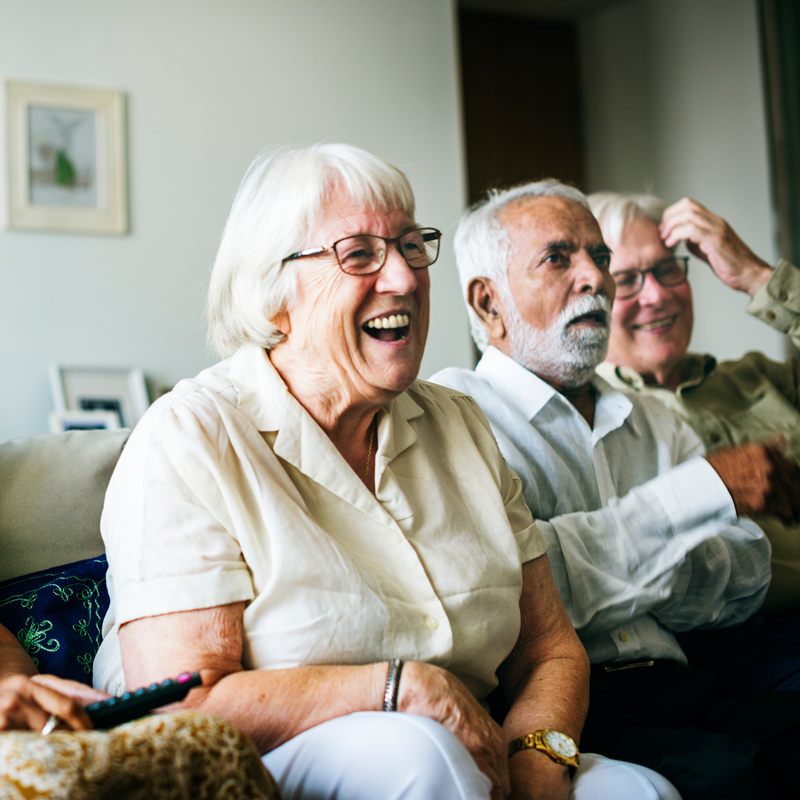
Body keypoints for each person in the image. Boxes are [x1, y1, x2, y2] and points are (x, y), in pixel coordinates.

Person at [92, 143, 678, 800]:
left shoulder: (460, 424)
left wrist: (540, 755)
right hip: (278, 762)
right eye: (361, 254)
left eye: (409, 245)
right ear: (273, 291)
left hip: (474, 744)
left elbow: (550, 649)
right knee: (419, 754)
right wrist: (401, 688)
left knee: (641, 791)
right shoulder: (191, 436)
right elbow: (182, 704)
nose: (403, 278)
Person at [429, 179, 800, 800]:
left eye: (598, 258)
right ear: (488, 302)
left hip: (691, 678)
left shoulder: (655, 421)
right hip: (568, 705)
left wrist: (592, 557)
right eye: (558, 257)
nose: (596, 278)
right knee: (737, 779)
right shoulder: (455, 413)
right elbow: (514, 598)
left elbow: (744, 577)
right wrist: (693, 501)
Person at [590, 192, 800, 615]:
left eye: (667, 270)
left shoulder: (759, 377)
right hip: (758, 642)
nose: (656, 296)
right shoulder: (593, 419)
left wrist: (759, 278)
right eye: (627, 279)